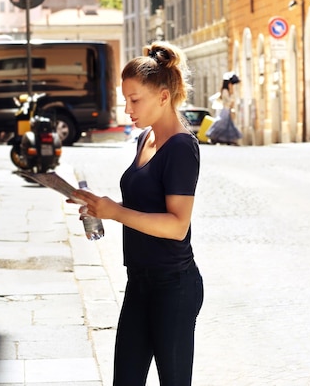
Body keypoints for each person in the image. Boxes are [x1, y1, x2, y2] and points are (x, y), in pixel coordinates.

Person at [70, 41, 204, 386]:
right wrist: (100, 208)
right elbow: (142, 203)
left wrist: (115, 212)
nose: (127, 108)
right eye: (125, 99)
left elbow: (177, 226)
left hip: (173, 287)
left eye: (135, 100)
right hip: (139, 282)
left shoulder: (181, 147)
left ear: (163, 96)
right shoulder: (145, 139)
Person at [206, 72, 242, 145]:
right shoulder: (225, 91)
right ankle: (213, 137)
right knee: (221, 124)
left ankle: (229, 140)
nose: (232, 86)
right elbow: (227, 101)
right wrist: (231, 95)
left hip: (227, 110)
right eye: (231, 84)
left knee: (229, 125)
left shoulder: (228, 91)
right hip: (225, 110)